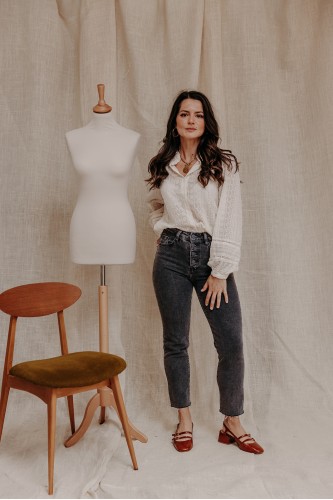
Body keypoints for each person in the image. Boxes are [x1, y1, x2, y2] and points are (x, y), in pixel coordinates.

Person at [146, 90, 264, 454]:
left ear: (206, 121)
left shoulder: (222, 164)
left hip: (211, 256)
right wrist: (162, 229)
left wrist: (220, 270)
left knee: (230, 343)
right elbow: (154, 204)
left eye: (198, 114)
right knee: (175, 341)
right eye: (184, 114)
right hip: (170, 257)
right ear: (176, 121)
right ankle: (184, 418)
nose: (191, 119)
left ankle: (232, 420)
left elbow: (230, 218)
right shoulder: (162, 163)